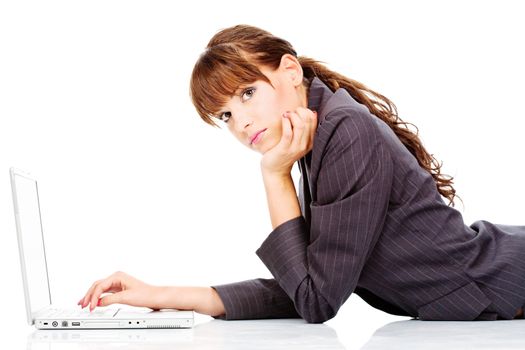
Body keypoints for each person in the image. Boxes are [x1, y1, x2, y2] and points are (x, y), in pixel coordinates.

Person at [78, 24, 525, 323]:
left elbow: (316, 300)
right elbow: (307, 282)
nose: (241, 123)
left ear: (290, 70)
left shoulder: (343, 131)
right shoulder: (319, 136)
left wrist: (275, 177)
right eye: (225, 115)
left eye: (248, 93)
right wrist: (161, 295)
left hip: (501, 285)